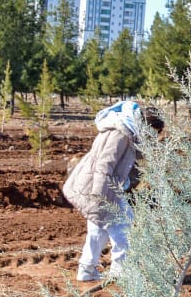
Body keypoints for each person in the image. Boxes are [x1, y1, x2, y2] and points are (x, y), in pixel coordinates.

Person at [61, 100, 165, 283]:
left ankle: (87, 270)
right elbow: (104, 166)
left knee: (97, 230)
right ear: (145, 125)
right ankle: (120, 273)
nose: (152, 137)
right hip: (100, 189)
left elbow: (131, 155)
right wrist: (100, 197)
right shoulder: (120, 135)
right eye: (152, 133)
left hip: (100, 188)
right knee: (124, 227)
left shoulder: (126, 132)